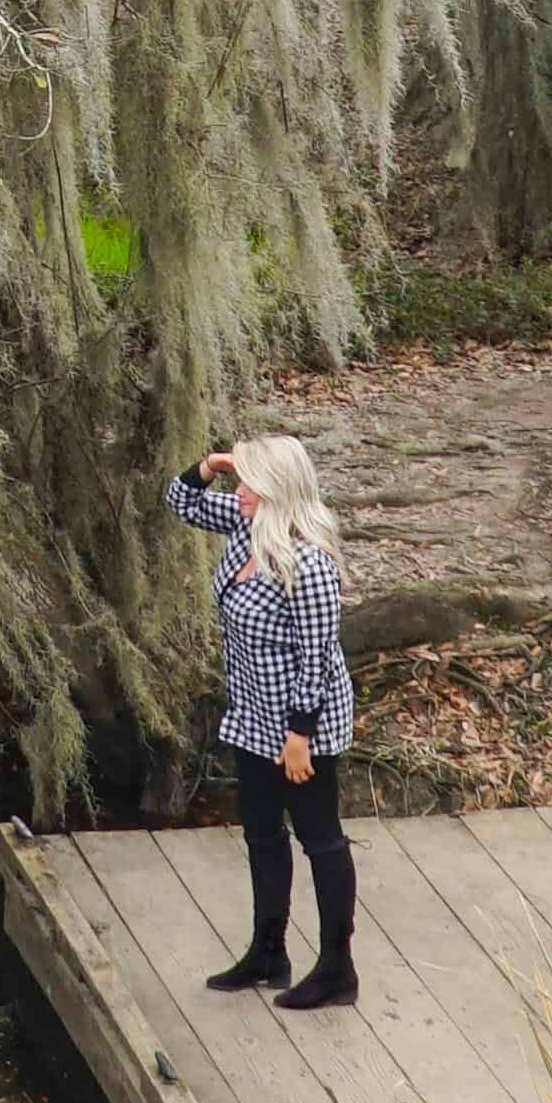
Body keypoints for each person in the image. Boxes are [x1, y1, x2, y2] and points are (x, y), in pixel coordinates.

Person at [165, 434, 359, 1012]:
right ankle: (268, 951)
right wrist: (210, 466)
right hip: (252, 714)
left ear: (277, 492)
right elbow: (181, 501)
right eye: (240, 481)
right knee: (259, 831)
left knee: (320, 838)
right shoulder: (246, 524)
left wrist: (300, 736)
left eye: (250, 482)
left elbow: (317, 657)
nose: (239, 491)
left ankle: (336, 969)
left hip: (305, 724)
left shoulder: (310, 564)